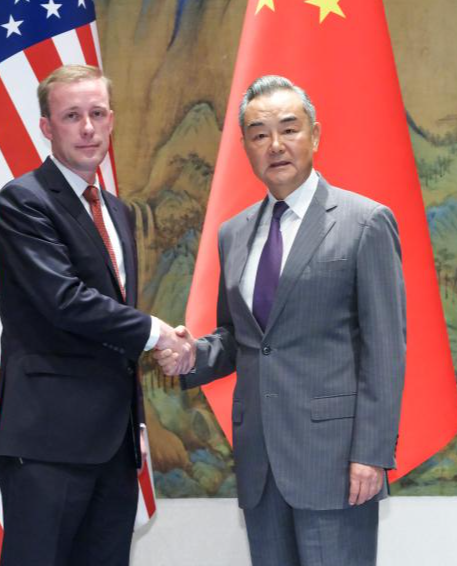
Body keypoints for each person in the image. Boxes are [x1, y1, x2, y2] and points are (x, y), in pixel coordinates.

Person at [157, 75, 407, 566]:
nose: (276, 145)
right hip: (260, 462)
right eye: (259, 134)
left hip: (335, 462)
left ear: (315, 136)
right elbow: (241, 339)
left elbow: (386, 348)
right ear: (246, 148)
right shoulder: (234, 234)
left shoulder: (364, 222)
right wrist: (193, 355)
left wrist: (372, 453)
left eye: (289, 129)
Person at [0, 64, 192, 566]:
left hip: (112, 446)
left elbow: (114, 319)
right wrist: (157, 332)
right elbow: (65, 301)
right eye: (71, 115)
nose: (87, 128)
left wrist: (160, 348)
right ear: (46, 127)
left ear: (111, 120)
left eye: (97, 114)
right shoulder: (23, 201)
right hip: (47, 444)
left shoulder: (117, 211)